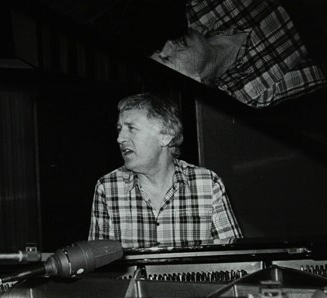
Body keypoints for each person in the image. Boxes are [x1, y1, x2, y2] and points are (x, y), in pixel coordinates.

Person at [150, 0, 327, 108]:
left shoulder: (199, 7)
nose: (168, 44)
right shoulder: (252, 94)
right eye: (167, 59)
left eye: (160, 50)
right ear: (196, 81)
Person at [88, 92, 242, 249]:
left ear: (166, 136)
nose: (120, 138)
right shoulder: (107, 188)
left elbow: (236, 258)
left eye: (131, 128)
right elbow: (99, 266)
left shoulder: (208, 184)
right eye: (119, 129)